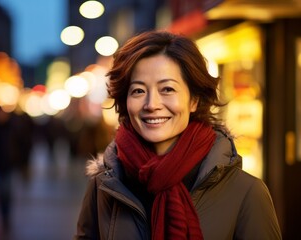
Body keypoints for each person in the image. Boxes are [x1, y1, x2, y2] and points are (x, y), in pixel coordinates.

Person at [74, 30, 282, 240]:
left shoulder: (246, 192)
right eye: (138, 91)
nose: (152, 104)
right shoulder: (104, 186)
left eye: (167, 89)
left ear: (194, 100)